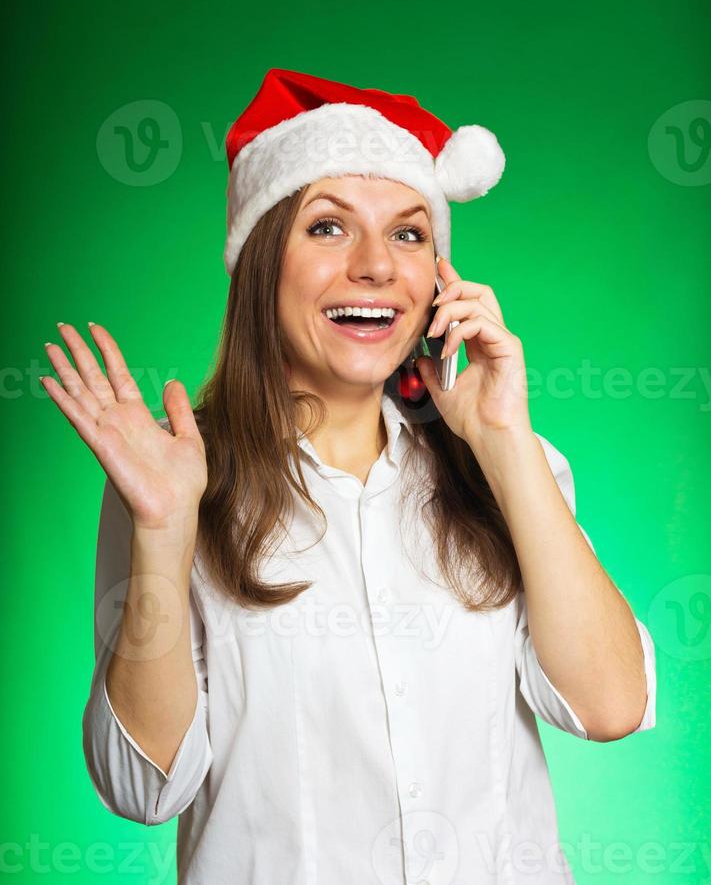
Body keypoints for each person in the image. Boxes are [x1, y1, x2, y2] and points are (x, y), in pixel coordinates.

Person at [42, 68, 656, 884]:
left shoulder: (510, 468)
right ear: (262, 263)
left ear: (438, 277)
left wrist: (504, 441)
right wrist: (161, 528)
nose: (375, 266)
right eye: (327, 228)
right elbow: (143, 790)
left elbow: (610, 707)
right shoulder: (172, 481)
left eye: (408, 234)